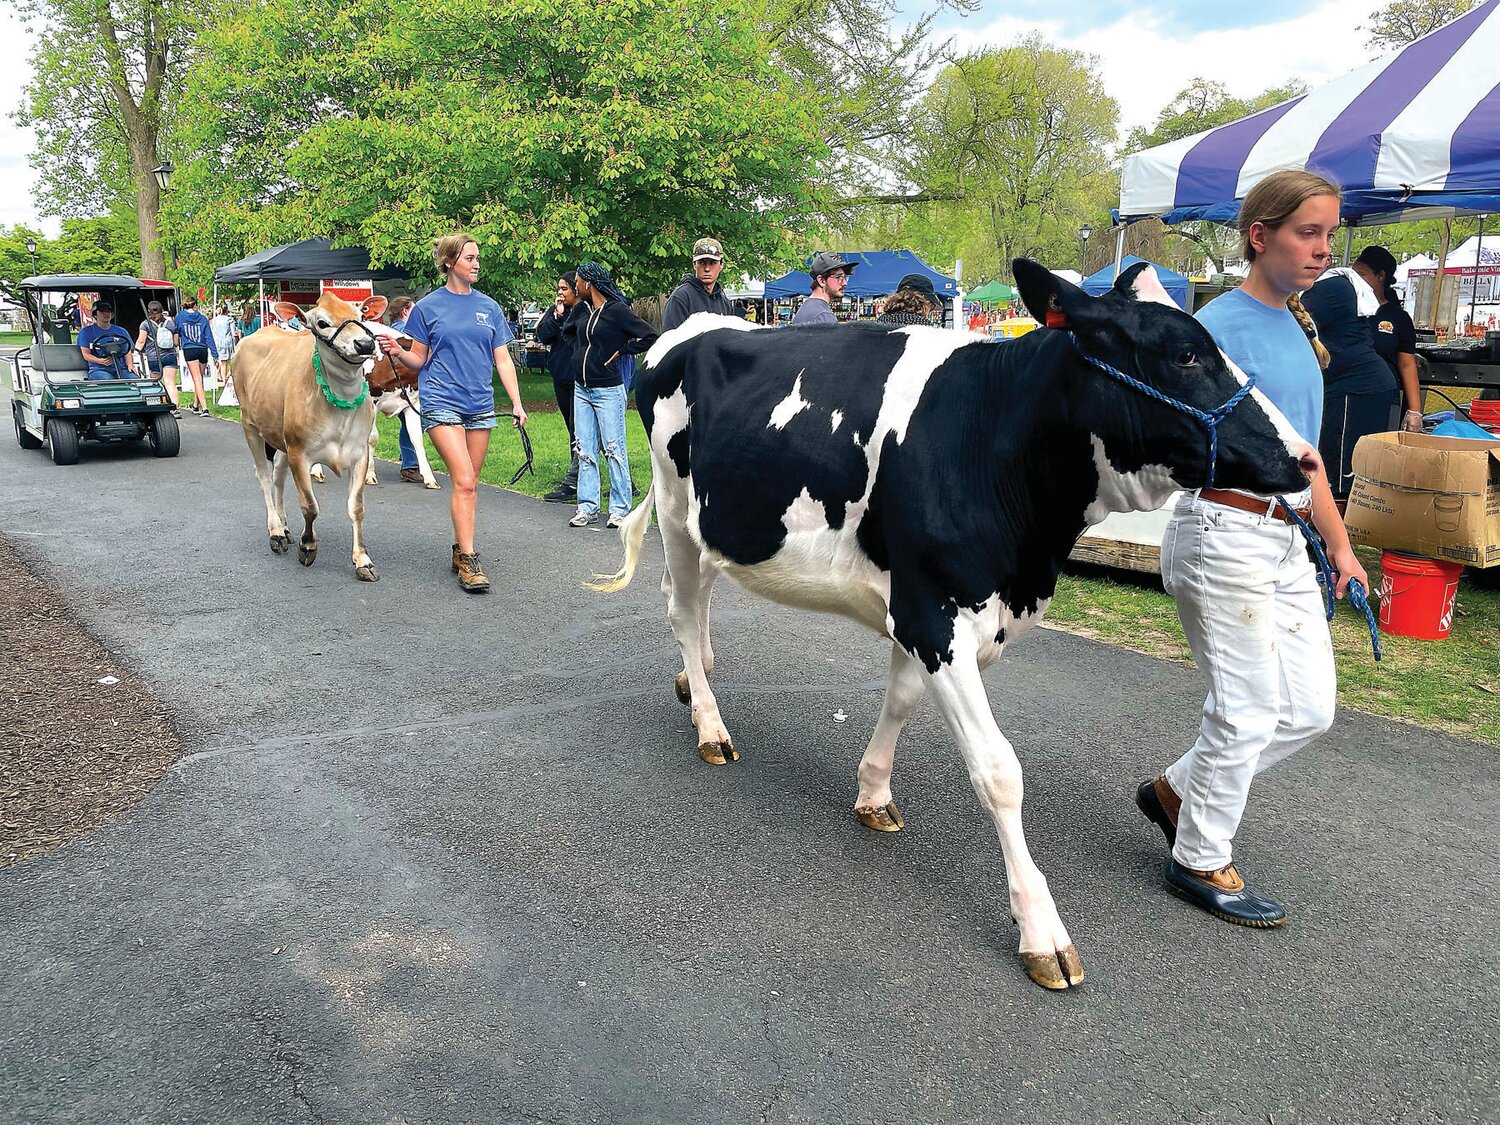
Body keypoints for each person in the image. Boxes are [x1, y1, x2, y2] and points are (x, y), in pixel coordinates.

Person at [1136, 169, 1367, 928]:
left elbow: (1308, 459)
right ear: (1259, 236)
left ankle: (1174, 791)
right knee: (1248, 709)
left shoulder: (1299, 330)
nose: (1322, 248)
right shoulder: (1215, 333)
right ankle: (1199, 856)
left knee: (1307, 710)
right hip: (1224, 531)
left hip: (1286, 537)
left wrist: (1341, 547)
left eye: (1330, 233)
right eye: (1308, 232)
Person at [379, 232, 527, 593]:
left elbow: (503, 359)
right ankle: (471, 560)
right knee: (462, 479)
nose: (477, 264)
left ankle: (460, 547)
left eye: (478, 258)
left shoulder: (489, 307)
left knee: (470, 484)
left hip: (480, 405)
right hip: (441, 401)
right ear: (449, 262)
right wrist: (397, 353)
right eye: (469, 258)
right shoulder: (428, 307)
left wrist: (518, 402)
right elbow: (420, 358)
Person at [569, 261, 658, 529]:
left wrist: (623, 349)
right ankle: (587, 506)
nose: (575, 286)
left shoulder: (617, 311)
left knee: (613, 448)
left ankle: (620, 508)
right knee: (584, 449)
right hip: (581, 388)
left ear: (589, 283)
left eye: (577, 281)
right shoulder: (582, 310)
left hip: (607, 389)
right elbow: (567, 335)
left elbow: (649, 335)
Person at [1302, 264, 1398, 502]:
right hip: (1362, 384)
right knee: (1351, 468)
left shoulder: (1331, 287)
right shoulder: (1339, 284)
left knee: (1343, 472)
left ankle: (1340, 532)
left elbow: (1295, 322)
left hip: (1356, 387)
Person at [1353, 245, 1423, 434]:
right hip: (1348, 394)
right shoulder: (1345, 308)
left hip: (1385, 397)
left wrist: (1415, 411)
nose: (1354, 280)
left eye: (1361, 274)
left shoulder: (1398, 318)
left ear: (1380, 276)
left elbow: (1407, 364)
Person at [535, 272, 586, 504]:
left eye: (564, 288)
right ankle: (577, 471)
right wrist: (557, 315)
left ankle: (576, 480)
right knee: (571, 428)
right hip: (561, 377)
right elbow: (542, 335)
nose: (560, 293)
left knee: (581, 429)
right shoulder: (557, 312)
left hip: (580, 379)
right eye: (558, 288)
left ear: (575, 289)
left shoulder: (585, 311)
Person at [385, 295, 426, 486]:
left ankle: (407, 458)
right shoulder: (407, 335)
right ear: (406, 311)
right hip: (407, 386)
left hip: (392, 385)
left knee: (409, 422)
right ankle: (410, 464)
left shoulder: (388, 331)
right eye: (414, 310)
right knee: (418, 421)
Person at [661, 237, 744, 330]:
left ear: (721, 265)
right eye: (701, 262)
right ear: (694, 264)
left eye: (713, 263)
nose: (707, 269)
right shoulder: (681, 297)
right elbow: (670, 339)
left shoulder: (724, 303)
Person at [134, 301, 182, 416]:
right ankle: (175, 408)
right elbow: (175, 343)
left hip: (154, 358)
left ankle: (157, 407)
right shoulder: (170, 324)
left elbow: (141, 341)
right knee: (170, 383)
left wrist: (135, 352)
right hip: (170, 356)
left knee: (155, 383)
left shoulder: (145, 324)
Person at [174, 296, 219, 416]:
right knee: (199, 379)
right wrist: (215, 354)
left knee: (197, 379)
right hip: (202, 348)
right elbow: (209, 336)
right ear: (195, 305)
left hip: (189, 348)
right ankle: (195, 405)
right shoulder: (203, 318)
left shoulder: (179, 317)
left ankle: (204, 408)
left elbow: (176, 331)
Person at [791, 251, 857, 325]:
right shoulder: (824, 317)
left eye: (845, 277)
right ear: (821, 280)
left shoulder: (808, 308)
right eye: (839, 277)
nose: (845, 283)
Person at [76, 299, 135, 380]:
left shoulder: (121, 331)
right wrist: (100, 361)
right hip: (99, 369)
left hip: (121, 368)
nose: (106, 314)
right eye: (102, 311)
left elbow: (127, 351)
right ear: (95, 314)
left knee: (135, 379)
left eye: (108, 311)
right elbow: (86, 354)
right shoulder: (86, 332)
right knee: (109, 381)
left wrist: (130, 365)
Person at [875, 273, 941, 326]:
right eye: (931, 305)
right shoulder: (921, 324)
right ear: (923, 301)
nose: (930, 310)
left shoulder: (881, 320)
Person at [210, 303, 238, 385]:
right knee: (232, 360)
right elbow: (233, 333)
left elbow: (212, 332)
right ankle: (227, 376)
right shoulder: (229, 319)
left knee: (222, 362)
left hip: (217, 342)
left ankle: (223, 379)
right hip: (227, 342)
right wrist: (236, 340)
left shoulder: (213, 321)